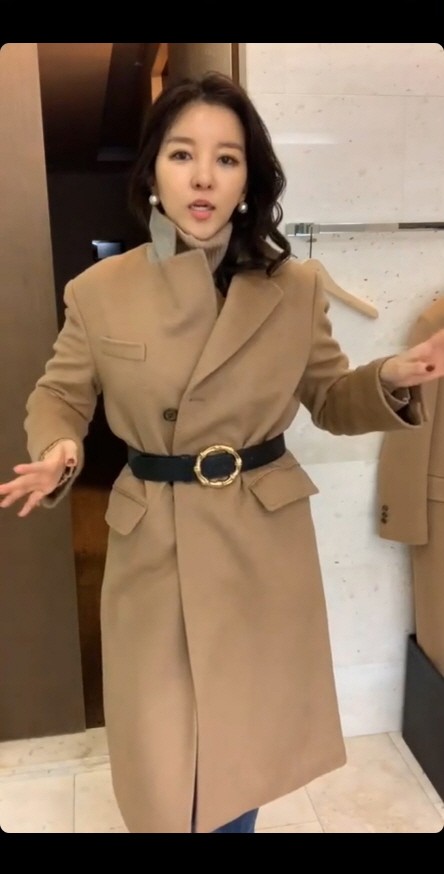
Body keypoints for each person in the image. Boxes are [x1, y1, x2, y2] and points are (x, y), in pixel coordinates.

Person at [1, 71, 444, 835]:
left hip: (259, 546)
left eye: (227, 158)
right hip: (154, 546)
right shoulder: (99, 290)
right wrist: (61, 446)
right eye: (182, 154)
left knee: (241, 756)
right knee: (164, 767)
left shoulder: (295, 288)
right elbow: (60, 395)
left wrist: (390, 379)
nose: (203, 176)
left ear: (248, 181)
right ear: (153, 173)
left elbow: (330, 399)